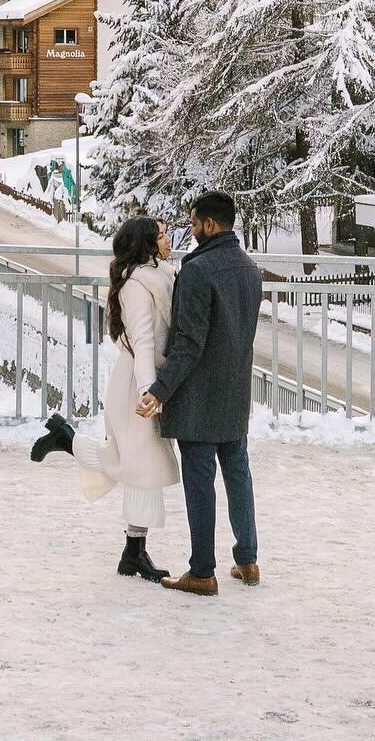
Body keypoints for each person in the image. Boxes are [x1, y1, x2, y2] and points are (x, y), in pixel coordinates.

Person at [29, 215, 178, 583]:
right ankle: (134, 554)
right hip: (135, 384)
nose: (168, 238)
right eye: (161, 235)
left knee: (133, 462)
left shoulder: (156, 275)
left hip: (142, 380)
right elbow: (143, 342)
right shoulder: (138, 286)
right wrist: (149, 392)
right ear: (147, 244)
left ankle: (68, 439)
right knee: (143, 467)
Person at [137, 190, 263, 596]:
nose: (190, 232)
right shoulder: (250, 269)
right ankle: (247, 559)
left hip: (199, 396)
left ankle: (202, 571)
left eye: (193, 224)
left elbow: (189, 342)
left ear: (210, 224)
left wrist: (160, 390)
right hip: (235, 388)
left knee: (200, 481)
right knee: (238, 473)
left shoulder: (199, 270)